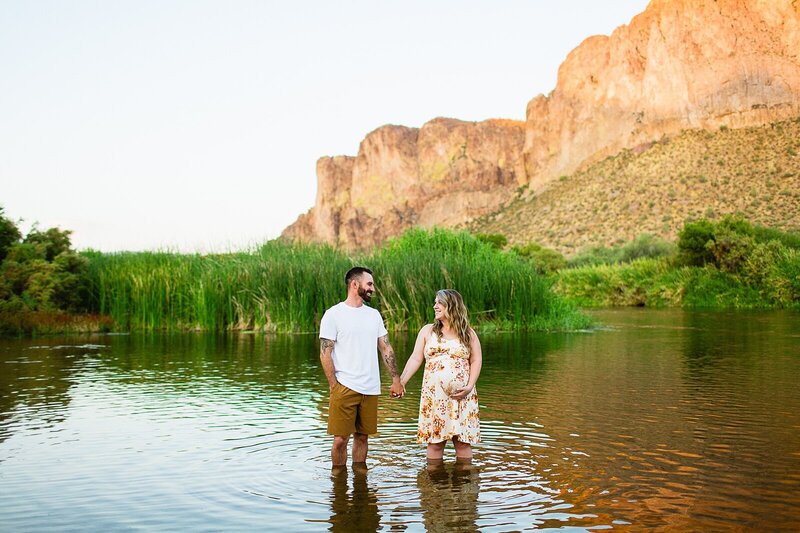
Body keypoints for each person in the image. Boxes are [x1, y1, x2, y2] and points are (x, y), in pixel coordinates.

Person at [320, 266, 405, 467]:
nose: (372, 289)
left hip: (370, 388)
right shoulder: (333, 314)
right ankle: (338, 483)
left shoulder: (373, 315)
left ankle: (360, 483)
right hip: (344, 386)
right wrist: (334, 386)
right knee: (340, 440)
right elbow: (325, 353)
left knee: (363, 437)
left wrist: (396, 379)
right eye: (369, 284)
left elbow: (385, 348)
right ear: (354, 284)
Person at [400, 289, 482, 462]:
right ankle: (434, 485)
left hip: (462, 396)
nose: (434, 306)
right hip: (434, 397)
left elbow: (476, 360)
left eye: (439, 302)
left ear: (451, 305)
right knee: (435, 442)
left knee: (462, 442)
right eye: (435, 302)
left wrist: (469, 386)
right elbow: (415, 358)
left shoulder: (468, 333)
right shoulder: (427, 331)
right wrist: (402, 382)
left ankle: (464, 483)